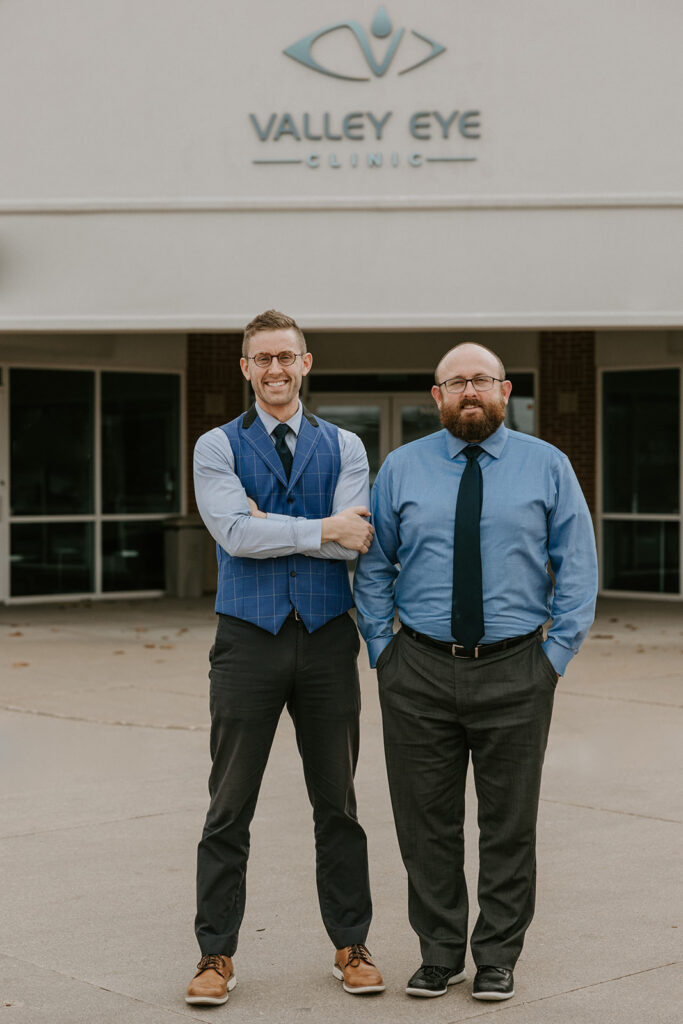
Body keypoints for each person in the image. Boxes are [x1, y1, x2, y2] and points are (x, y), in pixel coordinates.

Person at [353, 342, 597, 1002]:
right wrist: (382, 649)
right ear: (435, 397)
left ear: (505, 390)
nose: (468, 391)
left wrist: (554, 656)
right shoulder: (401, 468)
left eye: (481, 381)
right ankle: (438, 952)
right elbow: (374, 567)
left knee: (508, 822)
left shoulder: (546, 466)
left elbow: (576, 564)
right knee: (423, 821)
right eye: (454, 382)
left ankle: (496, 954)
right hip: (419, 669)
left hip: (518, 668)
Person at [186, 310, 384, 1006]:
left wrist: (269, 522)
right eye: (261, 359)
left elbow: (352, 539)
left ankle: (350, 943)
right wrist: (311, 528)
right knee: (228, 806)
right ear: (246, 369)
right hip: (246, 640)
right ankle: (215, 954)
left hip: (329, 638)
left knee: (338, 805)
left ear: (306, 362)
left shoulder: (347, 445)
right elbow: (233, 537)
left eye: (286, 357)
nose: (274, 369)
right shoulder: (215, 445)